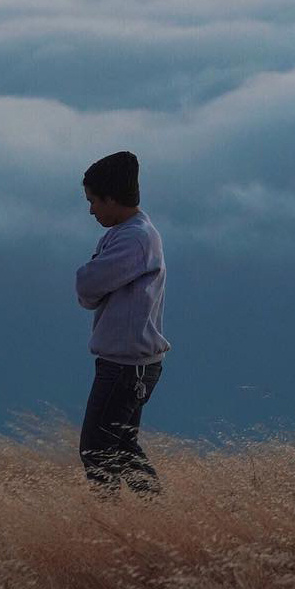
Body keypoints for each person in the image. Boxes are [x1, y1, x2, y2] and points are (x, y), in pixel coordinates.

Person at [75, 151, 170, 496]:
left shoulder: (133, 239)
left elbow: (87, 286)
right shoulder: (130, 234)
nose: (91, 210)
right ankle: (151, 519)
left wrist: (91, 280)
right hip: (132, 364)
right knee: (122, 449)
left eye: (93, 201)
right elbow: (90, 291)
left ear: (112, 198)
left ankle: (115, 524)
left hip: (125, 367)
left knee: (96, 450)